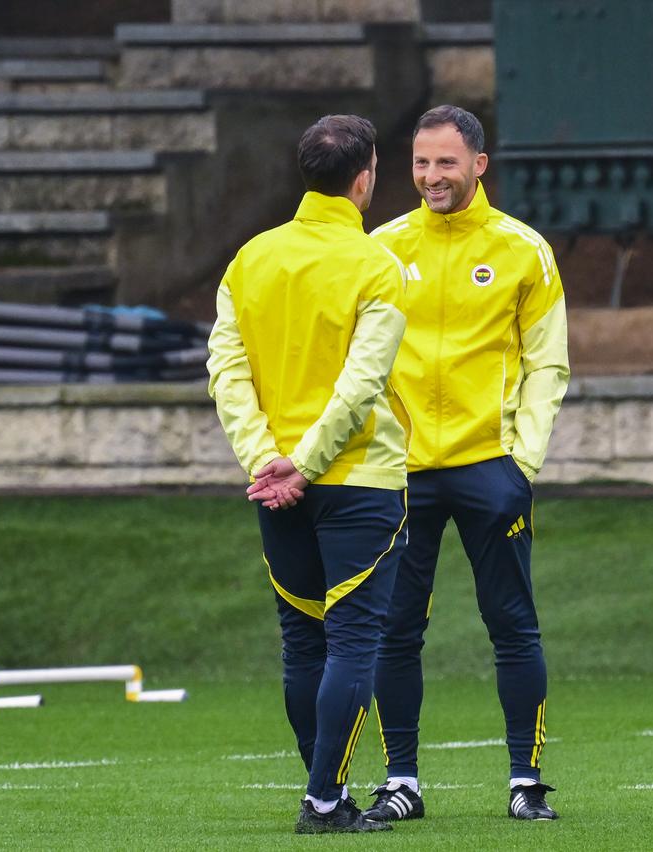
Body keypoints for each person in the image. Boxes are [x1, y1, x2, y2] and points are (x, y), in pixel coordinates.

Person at [363, 105, 570, 822]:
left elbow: (548, 361)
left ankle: (525, 781)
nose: (431, 177)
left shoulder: (523, 249)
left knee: (513, 625)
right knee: (395, 628)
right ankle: (401, 783)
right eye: (421, 163)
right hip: (403, 473)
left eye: (446, 163)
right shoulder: (382, 247)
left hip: (492, 467)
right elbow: (360, 358)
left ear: (479, 165)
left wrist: (525, 462)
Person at [207, 114, 411, 835]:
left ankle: (328, 792)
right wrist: (308, 460)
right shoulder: (375, 264)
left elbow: (227, 372)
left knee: (303, 643)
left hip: (276, 484)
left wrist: (266, 457)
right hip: (356, 478)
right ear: (364, 180)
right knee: (353, 643)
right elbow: (362, 384)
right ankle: (325, 802)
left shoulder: (249, 260)